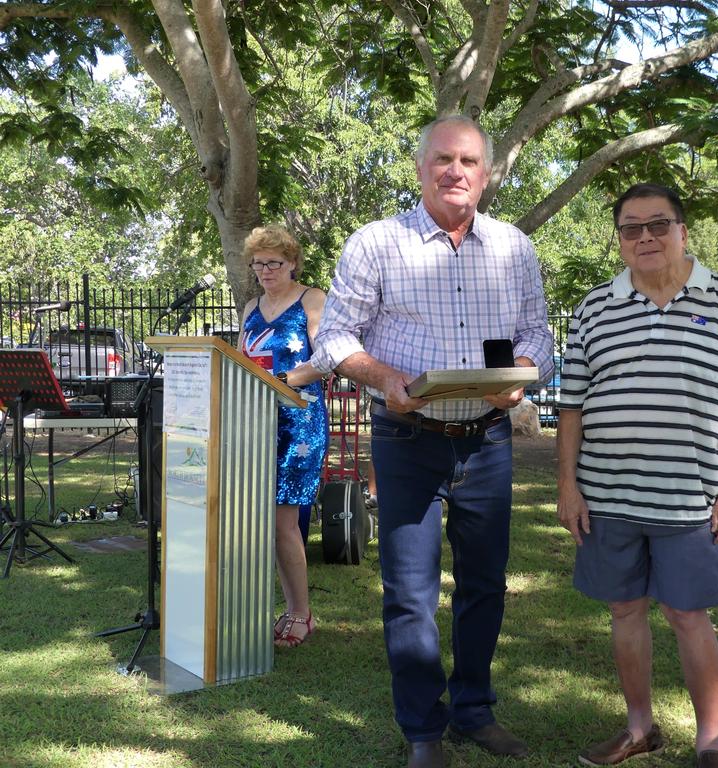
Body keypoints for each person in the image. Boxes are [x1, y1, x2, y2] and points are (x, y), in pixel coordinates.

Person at [306, 116, 553, 768]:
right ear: (420, 169)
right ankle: (423, 731)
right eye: (443, 158)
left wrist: (521, 377)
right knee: (410, 592)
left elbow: (538, 336)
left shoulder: (514, 249)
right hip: (407, 437)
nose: (457, 171)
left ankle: (474, 710)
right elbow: (333, 339)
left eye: (469, 160)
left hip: (488, 441)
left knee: (485, 585)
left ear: (487, 173)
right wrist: (384, 377)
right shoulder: (376, 244)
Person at [557, 183, 718, 768]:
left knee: (688, 614)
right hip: (608, 494)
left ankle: (711, 738)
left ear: (682, 231)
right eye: (630, 227)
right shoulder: (594, 308)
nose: (645, 237)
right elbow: (571, 406)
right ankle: (639, 728)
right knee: (625, 611)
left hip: (690, 498)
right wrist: (568, 485)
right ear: (619, 238)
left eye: (658, 225)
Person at [238, 224, 328, 648]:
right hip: (254, 421)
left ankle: (300, 614)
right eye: (258, 264)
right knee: (261, 522)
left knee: (282, 522)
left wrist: (279, 379)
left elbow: (327, 360)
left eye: (274, 262)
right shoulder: (251, 306)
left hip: (299, 423)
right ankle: (276, 608)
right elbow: (238, 361)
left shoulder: (312, 299)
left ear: (293, 263)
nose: (265, 270)